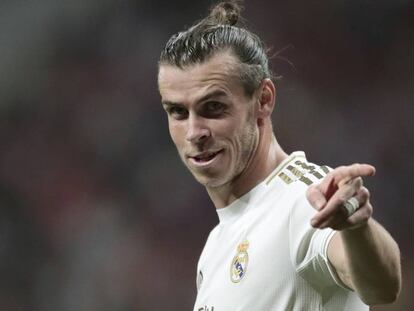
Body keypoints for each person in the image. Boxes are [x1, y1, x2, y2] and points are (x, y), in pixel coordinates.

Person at [157, 1, 402, 310]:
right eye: (178, 112)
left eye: (213, 108)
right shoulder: (216, 244)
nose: (194, 132)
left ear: (263, 100)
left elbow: (383, 286)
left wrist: (357, 229)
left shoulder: (303, 200)